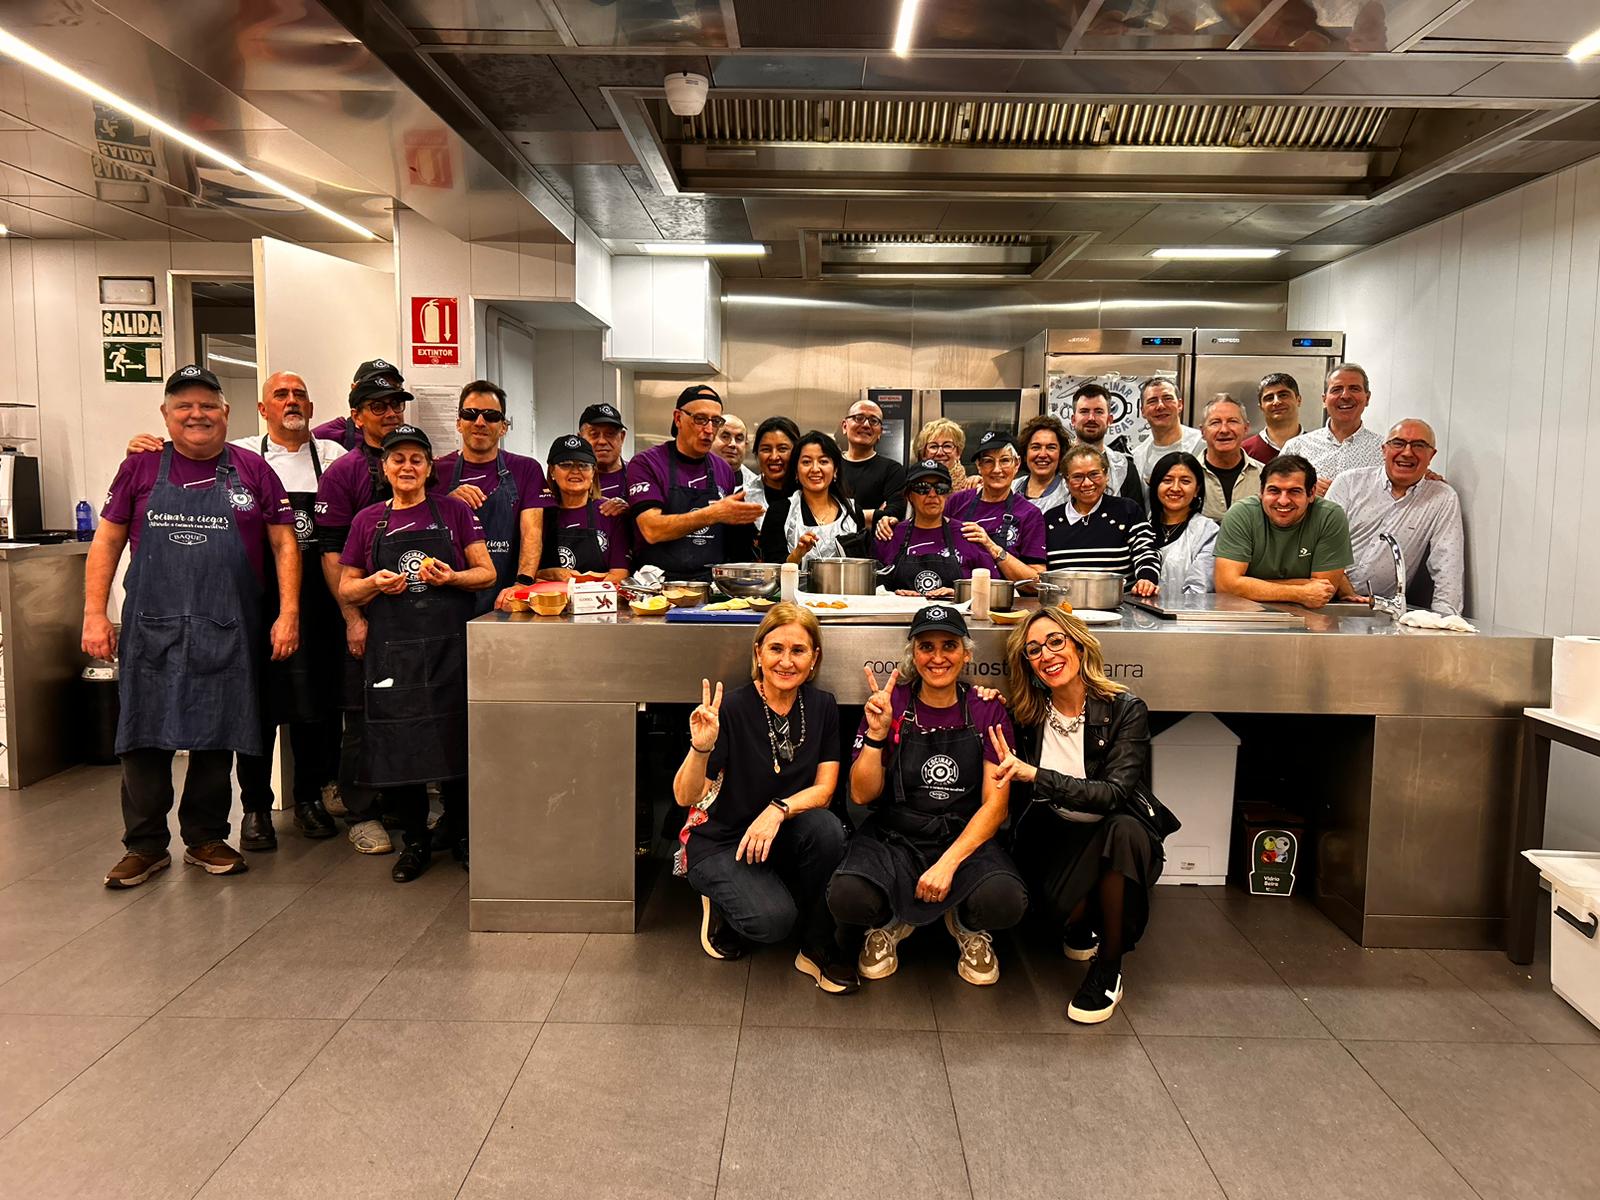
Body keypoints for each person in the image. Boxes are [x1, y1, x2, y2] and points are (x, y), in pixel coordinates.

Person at [86, 365, 299, 888]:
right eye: (184, 405)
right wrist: (94, 613)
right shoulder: (139, 469)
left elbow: (284, 544)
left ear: (226, 412)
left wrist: (288, 611)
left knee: (215, 734)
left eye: (207, 404)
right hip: (151, 626)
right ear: (166, 415)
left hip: (227, 626)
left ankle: (205, 835)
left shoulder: (253, 470)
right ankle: (145, 845)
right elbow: (107, 542)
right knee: (142, 736)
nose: (196, 414)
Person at [122, 370, 347, 851]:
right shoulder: (230, 454)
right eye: (280, 395)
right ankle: (253, 810)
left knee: (308, 711)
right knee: (249, 713)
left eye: (300, 394)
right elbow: (112, 534)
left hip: (293, 606)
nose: (291, 401)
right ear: (260, 410)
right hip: (226, 608)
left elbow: (296, 539)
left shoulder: (330, 456)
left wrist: (297, 612)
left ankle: (298, 802)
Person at [829, 605, 1027, 987]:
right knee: (847, 895)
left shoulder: (987, 711)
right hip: (895, 835)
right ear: (913, 654)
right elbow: (860, 792)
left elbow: (996, 805)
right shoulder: (893, 704)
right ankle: (887, 922)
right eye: (926, 647)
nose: (938, 657)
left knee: (1004, 900)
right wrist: (876, 735)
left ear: (966, 653)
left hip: (964, 837)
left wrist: (948, 864)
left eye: (949, 645)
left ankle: (967, 924)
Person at [990, 607, 1165, 1024]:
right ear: (1028, 665)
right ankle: (1081, 916)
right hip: (1053, 838)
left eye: (1056, 641)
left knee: (1123, 830)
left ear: (1079, 645)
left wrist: (1037, 775)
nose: (1047, 654)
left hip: (1111, 834)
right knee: (1048, 918)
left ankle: (1108, 969)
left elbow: (1113, 794)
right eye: (1034, 650)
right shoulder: (1027, 716)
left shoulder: (1125, 708)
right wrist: (985, 699)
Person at [337, 425, 495, 881]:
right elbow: (347, 587)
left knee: (457, 739)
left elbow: (486, 573)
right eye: (398, 459)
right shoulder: (368, 520)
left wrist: (452, 578)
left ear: (429, 468)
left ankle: (463, 836)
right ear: (385, 468)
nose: (407, 467)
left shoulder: (453, 513)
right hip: (393, 651)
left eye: (416, 460)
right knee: (397, 743)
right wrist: (372, 584)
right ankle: (415, 842)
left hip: (450, 646)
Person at [673, 604, 856, 993]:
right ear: (758, 653)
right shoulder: (735, 708)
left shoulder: (822, 706)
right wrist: (700, 748)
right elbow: (684, 796)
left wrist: (778, 810)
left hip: (777, 832)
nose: (786, 661)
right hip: (722, 841)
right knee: (771, 924)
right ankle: (722, 904)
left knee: (827, 829)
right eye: (775, 649)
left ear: (814, 658)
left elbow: (825, 791)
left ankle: (816, 946)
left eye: (798, 650)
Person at [314, 366, 414, 856]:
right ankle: (362, 812)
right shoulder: (344, 472)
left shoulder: (417, 464)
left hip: (408, 618)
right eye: (379, 407)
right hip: (363, 612)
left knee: (400, 711)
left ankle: (398, 804)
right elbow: (330, 551)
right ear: (356, 416)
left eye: (396, 405)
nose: (391, 413)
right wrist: (353, 618)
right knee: (360, 717)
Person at [432, 380, 549, 616]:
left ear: (504, 426)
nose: (480, 422)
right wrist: (448, 504)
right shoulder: (435, 471)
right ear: (459, 423)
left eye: (491, 416)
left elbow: (532, 532)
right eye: (470, 414)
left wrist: (523, 584)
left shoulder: (526, 469)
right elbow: (423, 530)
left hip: (505, 597)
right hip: (446, 598)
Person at [1326, 419, 1465, 615]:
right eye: (1398, 443)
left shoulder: (1442, 497)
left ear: (1431, 455)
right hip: (1326, 598)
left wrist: (1446, 624)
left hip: (1380, 611)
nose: (1407, 452)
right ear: (1384, 449)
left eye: (1419, 445)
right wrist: (1345, 591)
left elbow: (1448, 566)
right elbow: (1322, 544)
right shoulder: (1349, 482)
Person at [627, 384, 764, 581]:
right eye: (700, 419)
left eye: (715, 421)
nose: (709, 430)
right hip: (657, 587)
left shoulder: (723, 469)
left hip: (710, 586)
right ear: (678, 418)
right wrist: (712, 514)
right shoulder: (647, 463)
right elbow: (651, 529)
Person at [1213, 453, 1361, 609]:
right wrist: (1300, 591)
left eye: (1294, 491)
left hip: (1310, 617)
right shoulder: (1241, 514)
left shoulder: (1329, 516)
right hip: (1245, 613)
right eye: (1274, 491)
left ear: (1311, 494)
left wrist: (1247, 583)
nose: (1283, 500)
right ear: (1261, 492)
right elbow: (1226, 586)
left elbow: (1324, 591)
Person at [1043, 446, 1160, 597]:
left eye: (1094, 474)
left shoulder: (1127, 510)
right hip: (1063, 609)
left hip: (1120, 607)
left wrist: (1146, 579)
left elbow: (1146, 552)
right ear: (1066, 481)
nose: (1087, 483)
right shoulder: (1051, 519)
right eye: (1078, 477)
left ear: (1106, 475)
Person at [875, 461, 1001, 596]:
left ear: (948, 494)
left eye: (940, 487)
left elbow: (994, 589)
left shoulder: (968, 535)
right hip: (902, 616)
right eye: (922, 487)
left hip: (958, 616)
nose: (932, 494)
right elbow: (873, 590)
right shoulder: (889, 534)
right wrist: (894, 595)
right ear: (909, 495)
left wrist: (958, 593)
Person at [945, 430, 1046, 584]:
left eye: (1005, 460)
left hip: (1005, 603)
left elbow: (1036, 582)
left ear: (1017, 464)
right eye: (988, 461)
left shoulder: (1029, 514)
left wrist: (991, 547)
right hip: (955, 598)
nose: (997, 469)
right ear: (979, 466)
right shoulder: (956, 502)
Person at [759, 430, 864, 567]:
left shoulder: (852, 512)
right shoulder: (779, 512)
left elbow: (864, 566)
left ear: (835, 470)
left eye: (823, 461)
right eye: (807, 462)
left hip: (847, 588)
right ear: (796, 471)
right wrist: (797, 553)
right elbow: (771, 572)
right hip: (794, 589)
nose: (815, 469)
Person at [537, 434, 631, 584]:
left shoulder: (609, 513)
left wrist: (581, 585)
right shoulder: (540, 514)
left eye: (583, 465)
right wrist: (556, 574)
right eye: (566, 464)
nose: (575, 471)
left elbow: (620, 574)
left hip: (600, 602)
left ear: (593, 472)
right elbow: (529, 573)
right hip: (550, 604)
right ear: (552, 471)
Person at [1282, 363, 1384, 494]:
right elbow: (1274, 491)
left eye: (1354, 389)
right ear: (1324, 400)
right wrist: (1304, 486)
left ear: (1367, 398)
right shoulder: (1296, 448)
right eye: (1337, 389)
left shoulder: (1384, 450)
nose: (1345, 396)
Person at [1148, 452, 1219, 596]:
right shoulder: (1140, 527)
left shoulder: (1208, 532)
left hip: (1188, 615)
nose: (1175, 488)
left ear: (1196, 490)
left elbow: (1199, 590)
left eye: (1185, 481)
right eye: (1167, 480)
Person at [1068, 384, 1145, 509]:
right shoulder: (1057, 465)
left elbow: (1135, 517)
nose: (1091, 418)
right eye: (1084, 411)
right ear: (1073, 419)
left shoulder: (1125, 468)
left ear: (1109, 419)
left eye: (1098, 412)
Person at [1197, 396, 1263, 521]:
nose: (1224, 430)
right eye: (1215, 422)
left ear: (1246, 428)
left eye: (1232, 421)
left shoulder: (1265, 476)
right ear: (1202, 431)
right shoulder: (1187, 477)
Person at [313, 358, 401, 451]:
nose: (384, 390)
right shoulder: (328, 435)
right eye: (373, 384)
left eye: (393, 387)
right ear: (354, 388)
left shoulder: (407, 437)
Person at [838, 398, 906, 519]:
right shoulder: (831, 466)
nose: (865, 425)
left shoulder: (892, 470)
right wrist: (875, 514)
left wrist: (839, 516)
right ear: (844, 426)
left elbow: (894, 515)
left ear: (880, 432)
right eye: (859, 418)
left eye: (874, 421)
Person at [1130, 376, 1203, 485]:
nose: (1160, 406)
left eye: (1167, 398)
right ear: (1143, 411)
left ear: (1180, 405)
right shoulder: (1138, 457)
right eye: (1152, 401)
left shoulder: (1202, 445)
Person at [578, 402, 632, 512]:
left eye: (610, 434)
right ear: (580, 439)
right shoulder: (570, 481)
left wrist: (630, 512)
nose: (602, 441)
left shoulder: (640, 475)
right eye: (594, 434)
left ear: (622, 437)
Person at [1014, 414, 1071, 516]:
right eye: (1036, 447)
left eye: (1051, 447)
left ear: (1061, 454)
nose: (1043, 455)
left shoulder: (1071, 492)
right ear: (1025, 454)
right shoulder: (1010, 488)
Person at [745, 415, 800, 522]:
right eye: (766, 449)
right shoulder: (743, 499)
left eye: (782, 449)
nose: (774, 457)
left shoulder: (812, 495)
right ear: (756, 453)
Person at [1242, 372, 1303, 464]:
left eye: (1283, 395)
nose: (1276, 402)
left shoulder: (1316, 447)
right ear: (1261, 407)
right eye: (1269, 398)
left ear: (1298, 400)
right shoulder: (1244, 451)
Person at [714, 413, 750, 477]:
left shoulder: (757, 485)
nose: (733, 444)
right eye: (725, 437)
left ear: (746, 445)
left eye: (739, 439)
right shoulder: (693, 479)